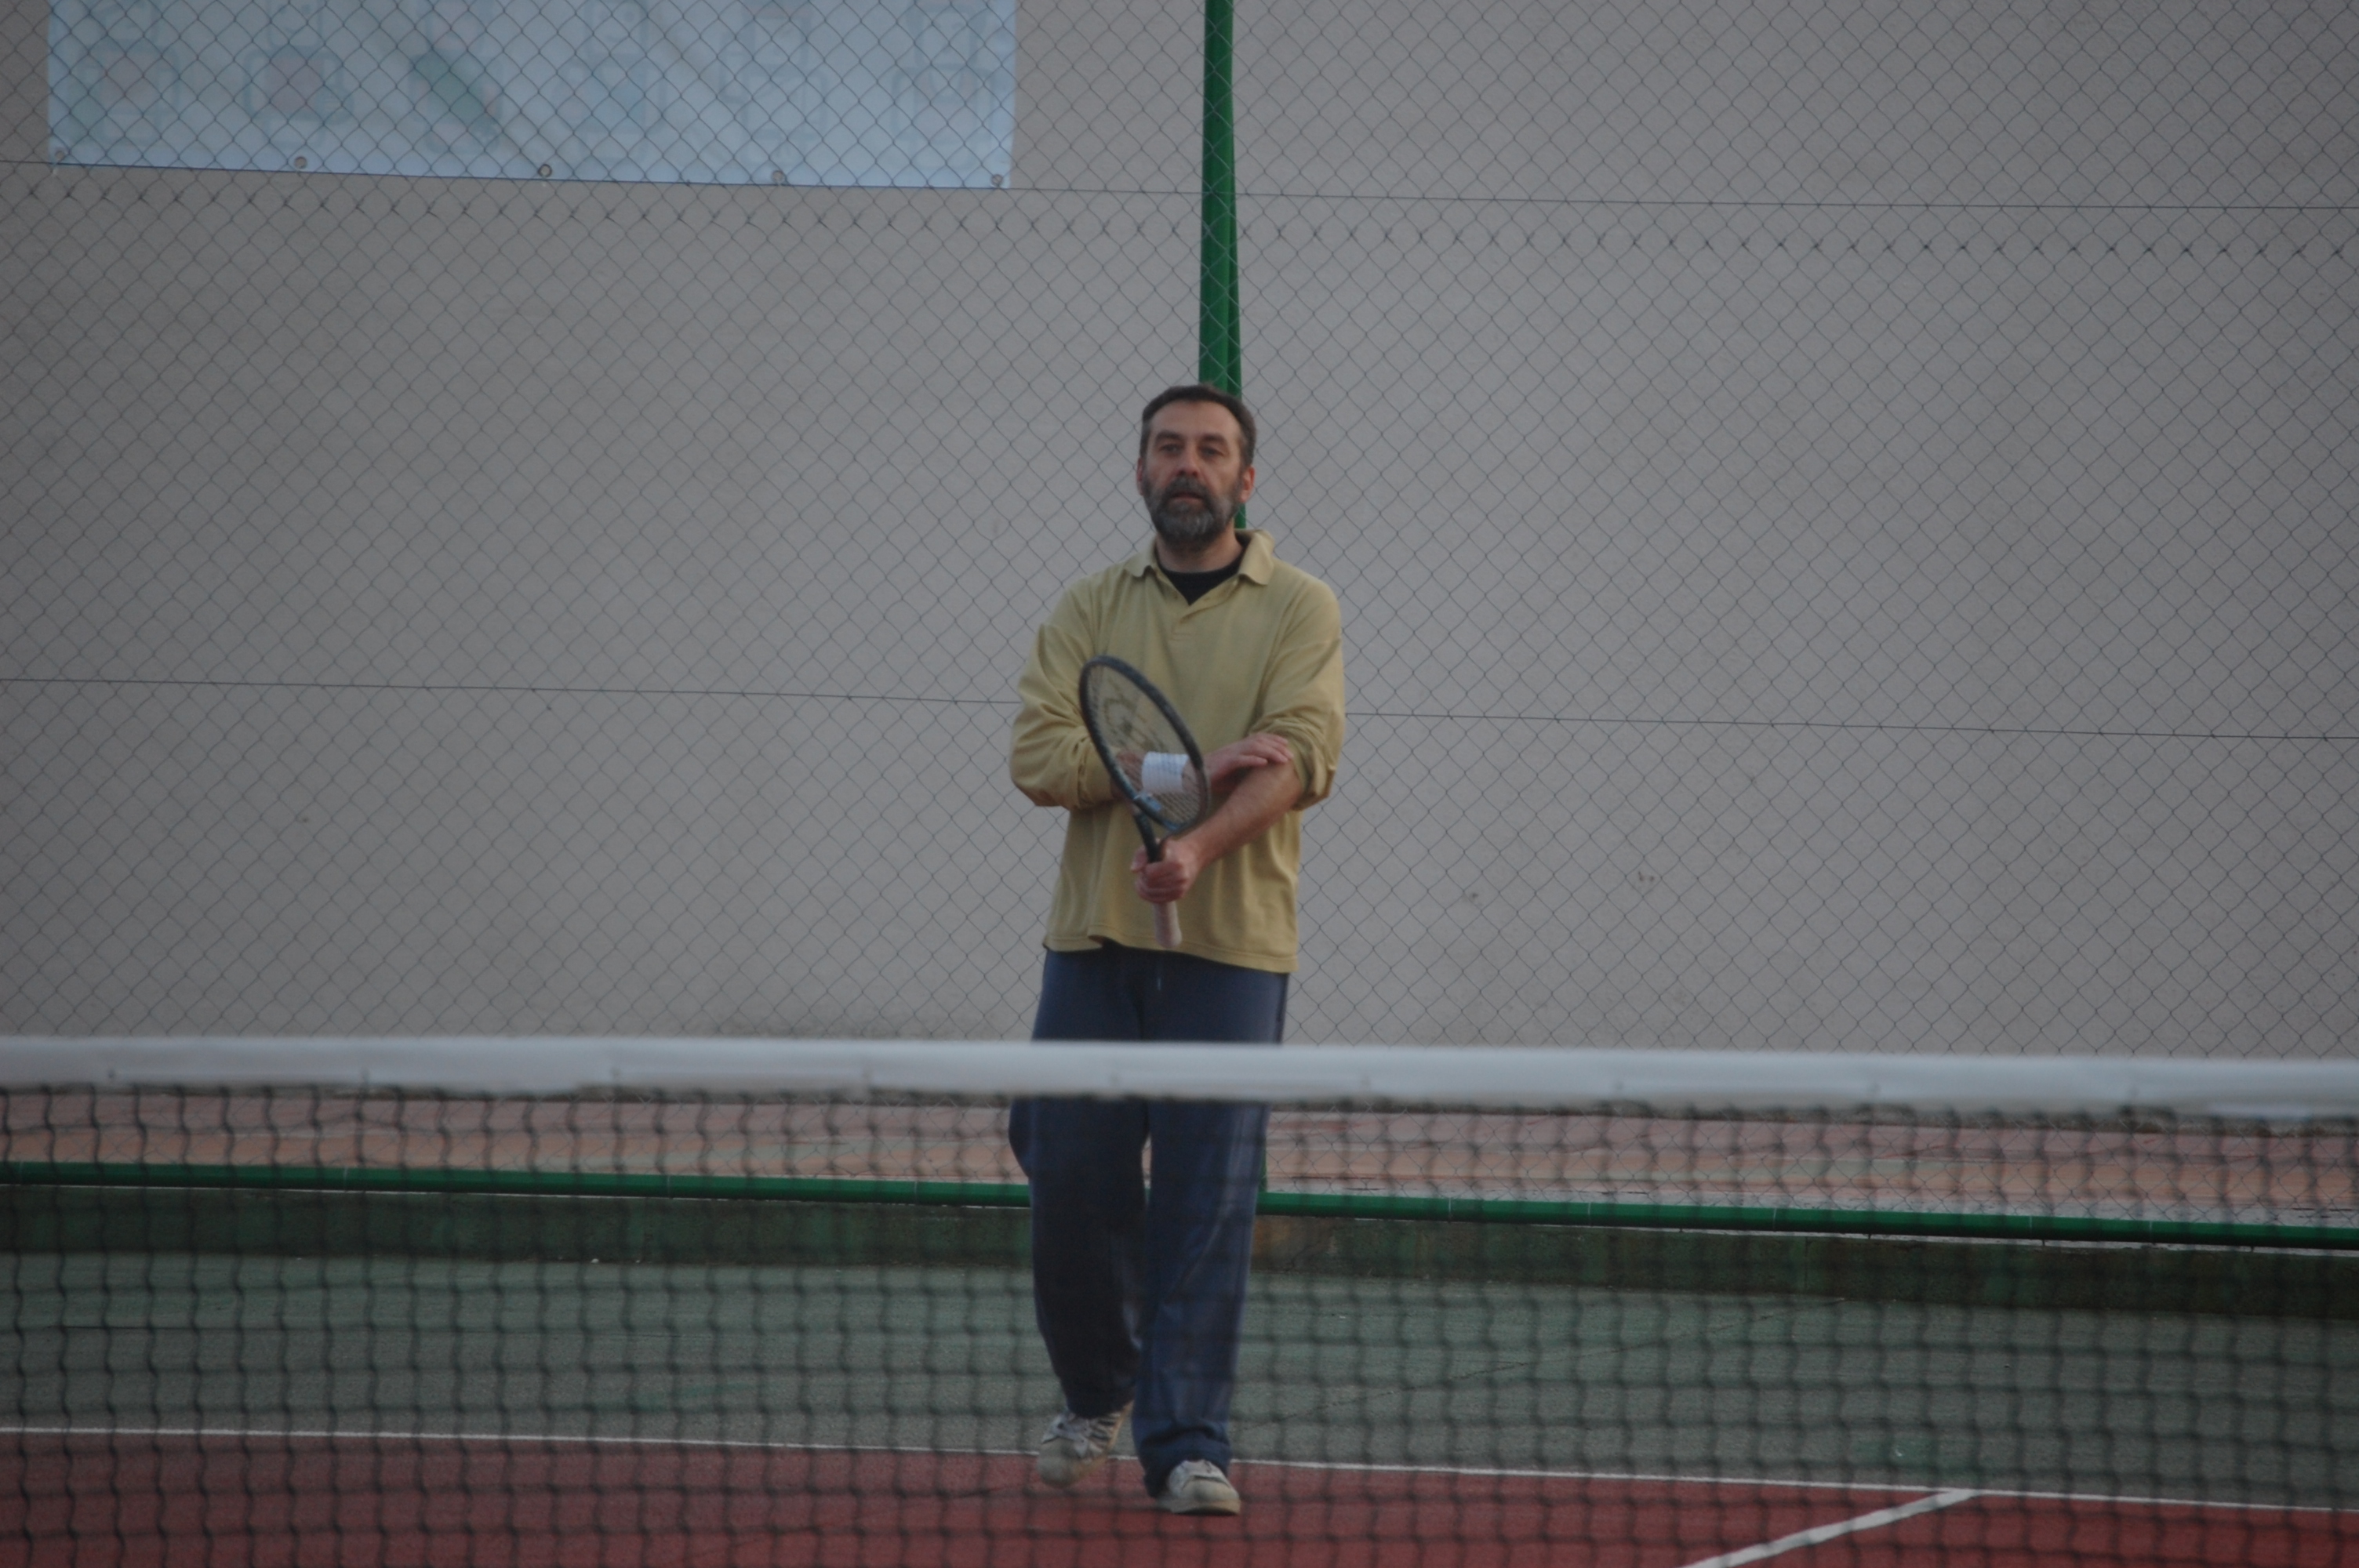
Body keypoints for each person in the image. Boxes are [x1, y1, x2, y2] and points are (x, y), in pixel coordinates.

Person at [1006, 383, 1346, 1515]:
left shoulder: (1300, 606)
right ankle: (1098, 1388)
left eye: (1210, 449)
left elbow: (1301, 757)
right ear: (1142, 471)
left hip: (1234, 951)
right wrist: (1178, 778)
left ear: (1246, 479)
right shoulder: (1088, 606)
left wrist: (1195, 849)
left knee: (1205, 1200)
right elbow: (1040, 756)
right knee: (1066, 1170)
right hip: (1093, 940)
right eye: (1167, 448)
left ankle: (1188, 1443)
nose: (1187, 465)